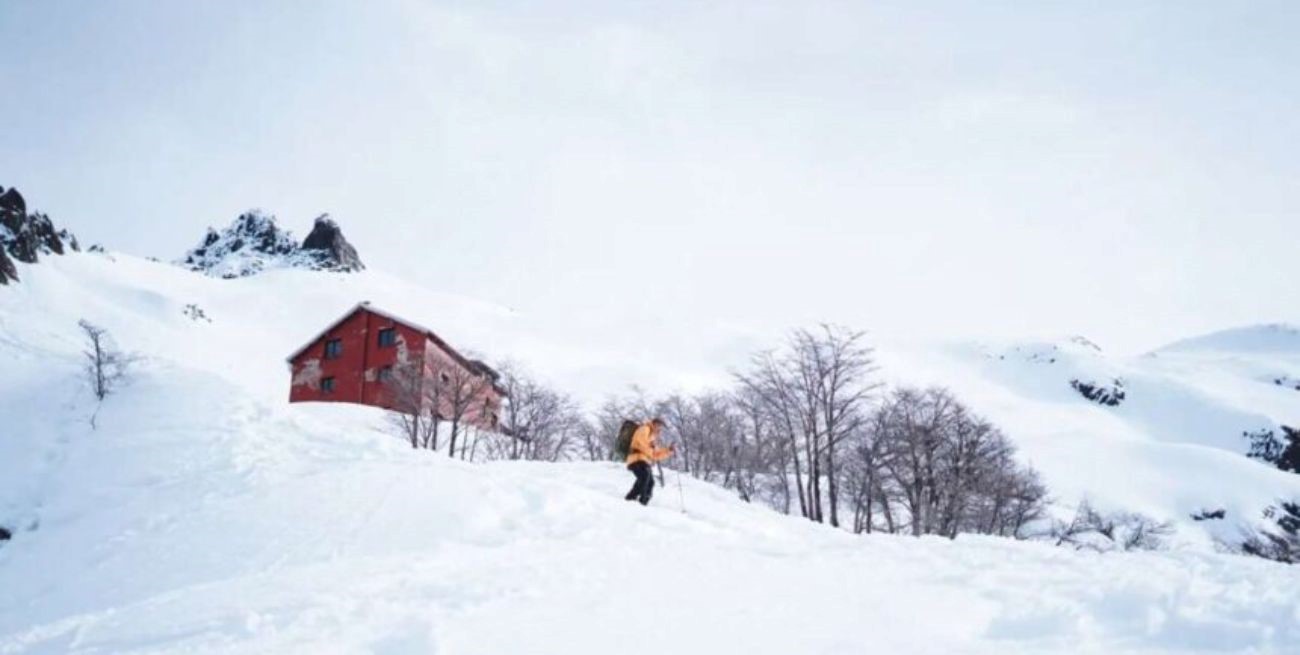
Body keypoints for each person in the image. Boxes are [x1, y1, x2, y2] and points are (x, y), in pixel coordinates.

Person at [624, 417, 674, 505]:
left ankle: (640, 501)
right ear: (654, 423)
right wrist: (651, 451)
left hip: (643, 460)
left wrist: (668, 451)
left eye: (661, 427)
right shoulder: (645, 429)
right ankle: (635, 500)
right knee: (645, 477)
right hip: (636, 459)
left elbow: (655, 455)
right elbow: (641, 444)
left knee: (650, 482)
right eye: (659, 425)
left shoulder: (652, 437)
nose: (660, 428)